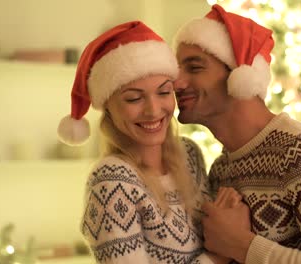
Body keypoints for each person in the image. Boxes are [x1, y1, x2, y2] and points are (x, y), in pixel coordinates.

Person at [173, 4, 301, 264]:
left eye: (194, 67)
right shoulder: (221, 169)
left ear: (238, 74)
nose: (176, 82)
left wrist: (244, 246)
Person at [57, 21, 241, 264]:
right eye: (134, 98)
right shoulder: (112, 182)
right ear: (109, 108)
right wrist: (219, 256)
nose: (153, 110)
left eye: (164, 92)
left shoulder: (190, 156)